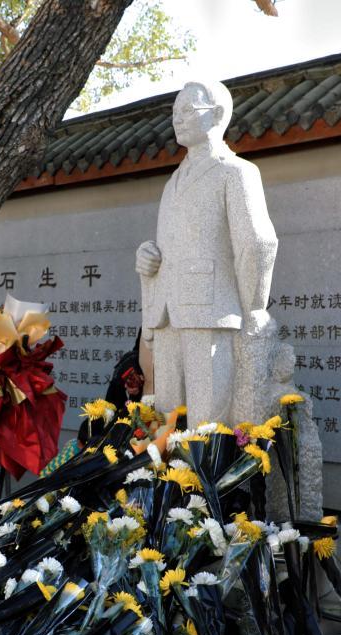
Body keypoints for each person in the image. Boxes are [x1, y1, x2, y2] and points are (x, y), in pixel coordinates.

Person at [134, 79, 279, 427]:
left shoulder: (236, 172)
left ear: (216, 114)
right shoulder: (172, 182)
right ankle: (164, 466)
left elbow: (258, 243)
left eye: (187, 110)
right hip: (168, 311)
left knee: (208, 422)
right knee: (164, 420)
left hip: (211, 309)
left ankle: (205, 466)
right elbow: (169, 248)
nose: (177, 118)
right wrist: (148, 259)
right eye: (174, 111)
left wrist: (252, 308)